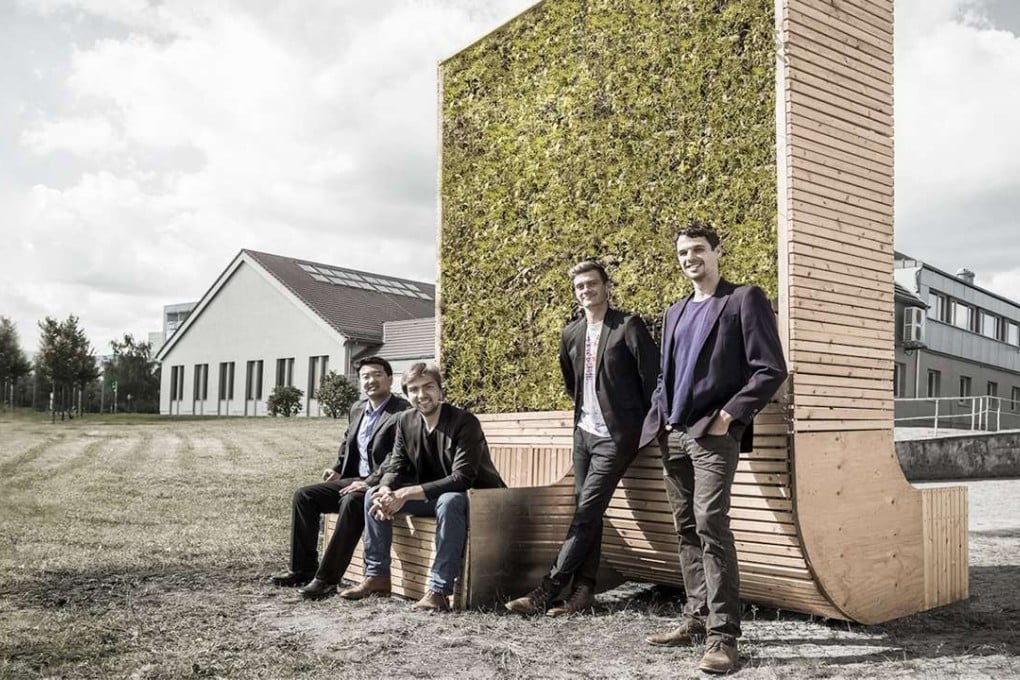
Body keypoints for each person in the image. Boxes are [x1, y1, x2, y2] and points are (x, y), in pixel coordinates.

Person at [642, 221, 788, 674]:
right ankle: (696, 617)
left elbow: (770, 369)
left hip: (711, 434)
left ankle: (724, 638)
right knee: (686, 527)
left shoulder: (744, 299)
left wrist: (728, 417)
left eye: (698, 250)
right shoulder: (673, 312)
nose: (690, 259)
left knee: (710, 524)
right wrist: (663, 415)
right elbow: (667, 375)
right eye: (683, 252)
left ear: (717, 251)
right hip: (675, 433)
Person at [505, 260, 658, 617]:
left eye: (592, 284)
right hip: (583, 434)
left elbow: (653, 376)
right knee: (588, 514)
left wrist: (647, 427)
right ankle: (583, 593)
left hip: (616, 437)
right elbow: (569, 381)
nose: (586, 291)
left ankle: (547, 590)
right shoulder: (570, 332)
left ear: (606, 287)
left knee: (586, 512)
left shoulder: (627, 325)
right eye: (580, 287)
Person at [339, 362, 506, 611]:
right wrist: (386, 489)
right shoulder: (405, 421)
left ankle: (439, 592)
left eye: (428, 387)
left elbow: (462, 479)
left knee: (450, 500)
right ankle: (377, 577)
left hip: (480, 499)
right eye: (414, 389)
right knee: (373, 494)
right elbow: (396, 465)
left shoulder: (464, 422)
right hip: (435, 498)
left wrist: (405, 493)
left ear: (440, 391)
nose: (421, 395)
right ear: (407, 394)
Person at [268, 356, 410, 599]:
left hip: (386, 482)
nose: (371, 380)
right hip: (355, 477)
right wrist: (338, 469)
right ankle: (303, 569)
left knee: (352, 501)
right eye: (365, 377)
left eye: (377, 374)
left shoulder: (402, 411)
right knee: (305, 496)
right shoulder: (357, 408)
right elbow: (348, 442)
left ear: (389, 378)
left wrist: (368, 482)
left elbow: (396, 456)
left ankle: (327, 580)